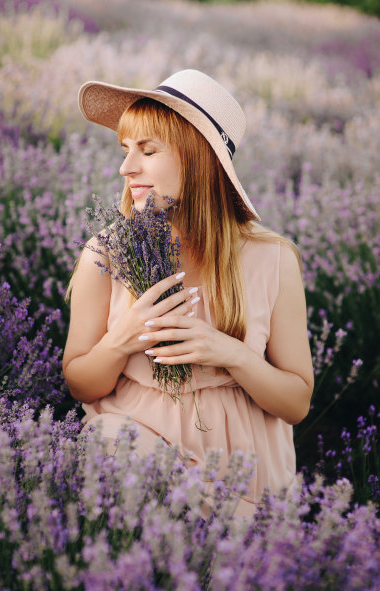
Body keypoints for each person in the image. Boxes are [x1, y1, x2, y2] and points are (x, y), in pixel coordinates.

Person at [63, 69, 314, 519]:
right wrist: (125, 337)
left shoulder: (272, 259)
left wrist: (231, 354)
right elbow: (80, 381)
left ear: (197, 158)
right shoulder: (106, 254)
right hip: (136, 458)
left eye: (148, 150)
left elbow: (296, 403)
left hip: (245, 475)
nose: (126, 168)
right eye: (125, 150)